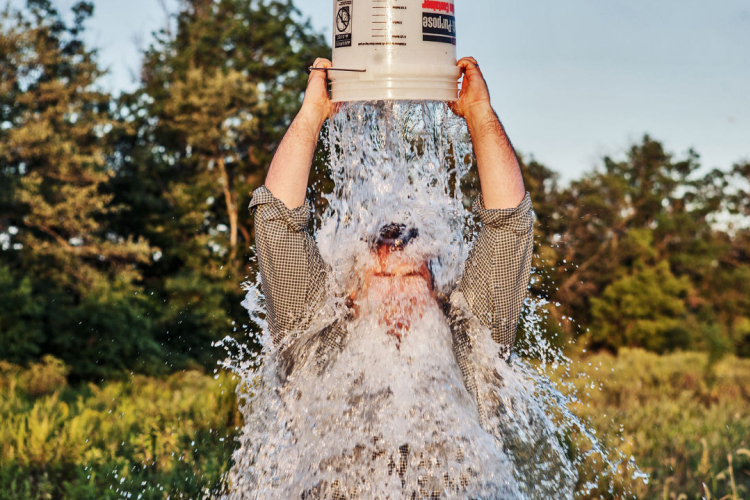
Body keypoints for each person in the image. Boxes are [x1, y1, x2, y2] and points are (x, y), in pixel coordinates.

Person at [248, 57, 539, 498]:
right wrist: (311, 116)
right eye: (380, 269)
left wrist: (480, 115)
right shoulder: (314, 342)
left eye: (409, 272)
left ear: (436, 287)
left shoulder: (471, 342)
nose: (392, 268)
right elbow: (277, 223)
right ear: (350, 293)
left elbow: (509, 225)